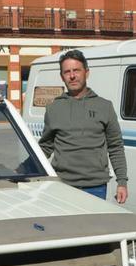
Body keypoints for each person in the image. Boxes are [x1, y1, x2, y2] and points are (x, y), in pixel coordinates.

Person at [38, 49, 128, 203]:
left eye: (76, 70)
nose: (72, 76)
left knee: (93, 228)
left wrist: (122, 182)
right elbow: (45, 147)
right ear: (62, 77)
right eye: (67, 72)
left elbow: (115, 146)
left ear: (86, 72)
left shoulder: (104, 106)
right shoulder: (53, 109)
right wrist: (22, 171)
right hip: (62, 185)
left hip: (96, 187)